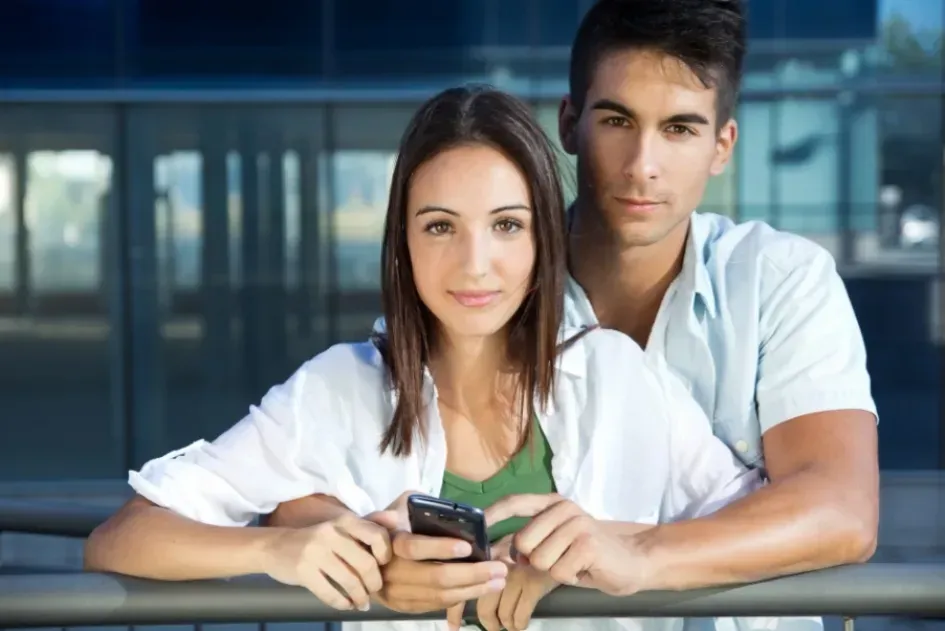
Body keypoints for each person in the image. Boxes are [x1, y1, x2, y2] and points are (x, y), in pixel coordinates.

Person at [270, 0, 880, 629]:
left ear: (722, 145)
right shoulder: (489, 285)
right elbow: (333, 455)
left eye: (680, 129)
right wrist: (335, 534)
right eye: (618, 120)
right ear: (569, 124)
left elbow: (841, 512)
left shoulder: (780, 279)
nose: (643, 164)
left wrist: (634, 552)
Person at [84, 85, 764, 631]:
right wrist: (280, 547)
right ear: (402, 244)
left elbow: (756, 520)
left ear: (541, 241)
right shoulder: (338, 388)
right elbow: (124, 536)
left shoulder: (618, 376)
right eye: (439, 226)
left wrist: (611, 547)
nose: (474, 264)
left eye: (506, 225)